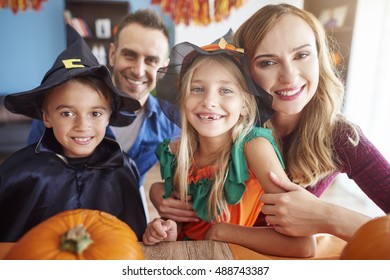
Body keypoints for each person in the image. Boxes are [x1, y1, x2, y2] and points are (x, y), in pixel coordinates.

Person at [149, 3, 390, 242]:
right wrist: (160, 192)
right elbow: (195, 179)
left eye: (302, 55)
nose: (290, 76)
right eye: (268, 62)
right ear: (243, 73)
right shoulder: (226, 121)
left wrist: (330, 216)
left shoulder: (342, 137)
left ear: (319, 58)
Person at [142, 33, 315, 258]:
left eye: (225, 90)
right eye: (197, 89)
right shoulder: (177, 153)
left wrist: (220, 231)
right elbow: (181, 228)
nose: (209, 101)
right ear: (183, 100)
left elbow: (303, 245)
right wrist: (166, 231)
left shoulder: (254, 146)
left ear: (245, 105)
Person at [0, 25, 146, 242]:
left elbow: (135, 240)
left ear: (108, 117)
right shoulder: (21, 172)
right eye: (67, 113)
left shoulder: (122, 168)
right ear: (47, 117)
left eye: (95, 113)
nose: (82, 125)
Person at [27, 9, 181, 199]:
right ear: (112, 54)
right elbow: (32, 168)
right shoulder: (62, 107)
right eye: (130, 55)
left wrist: (158, 193)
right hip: (65, 202)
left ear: (163, 68)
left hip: (129, 201)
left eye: (151, 60)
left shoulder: (170, 125)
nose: (139, 71)